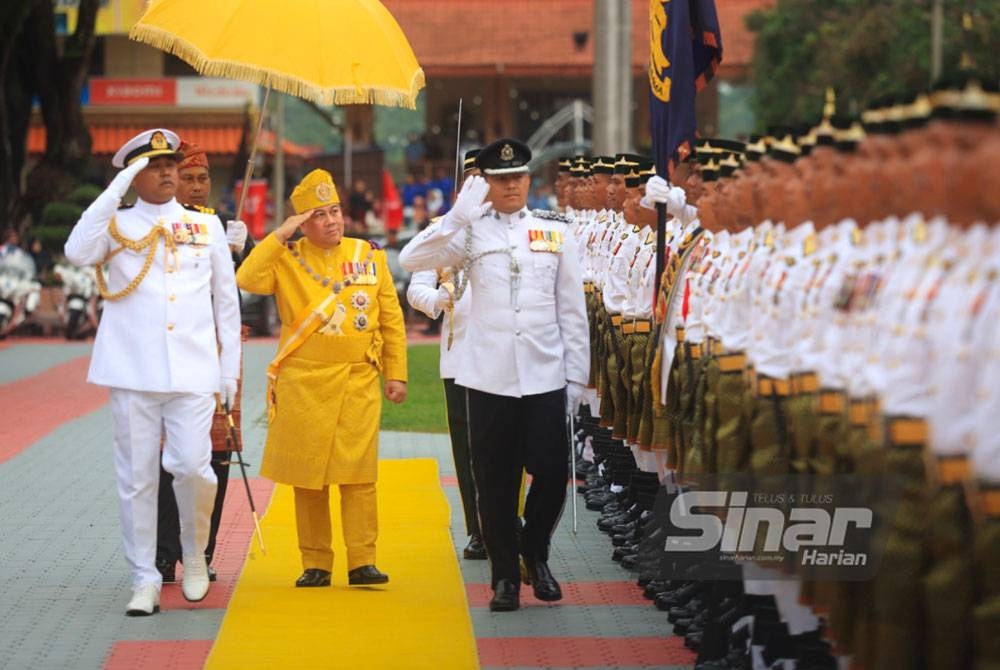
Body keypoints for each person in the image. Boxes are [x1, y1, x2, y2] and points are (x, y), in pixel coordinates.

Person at [399, 138, 589, 612]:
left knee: (551, 473)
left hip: (544, 375)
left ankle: (535, 552)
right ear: (485, 183)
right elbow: (410, 261)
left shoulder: (554, 231)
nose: (511, 186)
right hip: (488, 378)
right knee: (495, 482)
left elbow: (572, 311)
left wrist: (576, 379)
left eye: (518, 177)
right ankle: (505, 577)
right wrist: (456, 217)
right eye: (501, 179)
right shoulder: (467, 232)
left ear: (529, 179)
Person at [64, 128, 242, 616]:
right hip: (133, 370)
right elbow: (77, 251)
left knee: (193, 468)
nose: (166, 173)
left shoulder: (205, 226)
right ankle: (144, 577)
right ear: (134, 175)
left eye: (170, 166)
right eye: (154, 167)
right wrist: (116, 189)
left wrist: (229, 373)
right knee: (137, 478)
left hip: (193, 370)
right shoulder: (116, 223)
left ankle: (194, 553)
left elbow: (226, 305)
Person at [235, 168, 407, 588]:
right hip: (304, 383)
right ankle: (316, 563)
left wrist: (396, 373)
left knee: (358, 475)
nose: (331, 221)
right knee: (308, 478)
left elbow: (391, 319)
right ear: (301, 223)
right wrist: (280, 234)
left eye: (335, 211)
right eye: (319, 215)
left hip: (357, 380)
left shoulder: (369, 255)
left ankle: (362, 560)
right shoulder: (287, 258)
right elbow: (246, 279)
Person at [155, 141, 252, 585]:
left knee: (217, 452)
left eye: (203, 178)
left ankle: (204, 552)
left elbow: (245, 284)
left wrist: (240, 252)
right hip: (174, 349)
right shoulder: (159, 223)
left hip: (220, 352)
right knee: (168, 455)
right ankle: (163, 553)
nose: (196, 186)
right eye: (188, 178)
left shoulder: (221, 224)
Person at [406, 148, 485, 560]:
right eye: (472, 181)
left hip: (501, 355)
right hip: (458, 354)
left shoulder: (511, 231)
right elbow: (415, 287)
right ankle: (477, 528)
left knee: (502, 445)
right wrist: (437, 299)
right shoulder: (441, 231)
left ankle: (507, 522)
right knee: (466, 446)